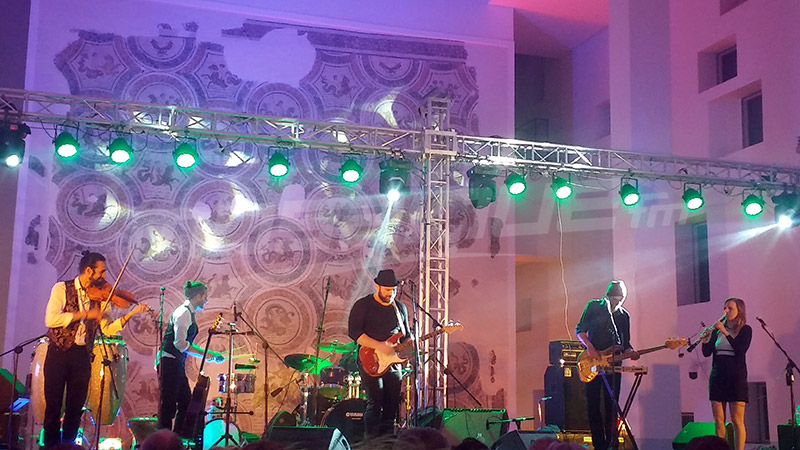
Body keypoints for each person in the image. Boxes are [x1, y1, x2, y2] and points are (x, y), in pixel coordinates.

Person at [43, 251, 150, 448]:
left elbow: (107, 328)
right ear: (88, 271)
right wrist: (85, 314)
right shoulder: (62, 288)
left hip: (82, 356)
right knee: (53, 408)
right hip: (58, 354)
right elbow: (51, 319)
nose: (104, 277)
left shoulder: (102, 296)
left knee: (75, 410)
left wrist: (131, 314)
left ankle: (68, 446)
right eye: (101, 272)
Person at [348, 269, 412, 438]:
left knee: (392, 404)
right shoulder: (363, 305)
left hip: (393, 362)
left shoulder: (400, 308)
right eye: (387, 290)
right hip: (369, 358)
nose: (391, 293)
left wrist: (410, 343)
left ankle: (387, 442)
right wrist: (379, 346)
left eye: (394, 290)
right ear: (377, 286)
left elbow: (405, 335)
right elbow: (354, 333)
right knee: (375, 402)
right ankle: (371, 442)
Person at [575, 280, 638, 450]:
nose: (617, 303)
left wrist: (631, 352)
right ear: (608, 297)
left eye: (620, 300)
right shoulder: (595, 306)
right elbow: (580, 330)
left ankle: (612, 445)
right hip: (592, 361)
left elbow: (625, 343)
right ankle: (599, 445)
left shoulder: (624, 316)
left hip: (613, 363)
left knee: (612, 404)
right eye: (614, 300)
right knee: (593, 405)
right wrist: (590, 348)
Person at [157, 280, 224, 432]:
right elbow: (180, 344)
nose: (206, 300)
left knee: (185, 401)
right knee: (168, 404)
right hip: (169, 361)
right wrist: (208, 354)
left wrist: (208, 355)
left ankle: (177, 437)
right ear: (198, 296)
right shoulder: (183, 314)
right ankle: (165, 439)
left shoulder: (188, 312)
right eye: (205, 296)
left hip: (175, 362)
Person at [701, 298, 751, 450]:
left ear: (739, 311)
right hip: (718, 376)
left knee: (737, 420)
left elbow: (740, 350)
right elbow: (707, 353)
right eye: (725, 308)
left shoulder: (745, 330)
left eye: (730, 308)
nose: (726, 311)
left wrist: (725, 332)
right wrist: (706, 341)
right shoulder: (717, 331)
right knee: (718, 420)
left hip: (735, 377)